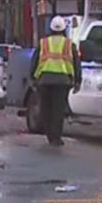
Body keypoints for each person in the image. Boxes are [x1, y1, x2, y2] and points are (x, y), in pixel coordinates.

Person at [30, 16, 82, 146]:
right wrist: (77, 81)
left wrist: (32, 78)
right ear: (64, 29)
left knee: (46, 109)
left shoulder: (44, 43)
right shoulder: (69, 44)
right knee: (58, 111)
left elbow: (34, 61)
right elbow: (76, 63)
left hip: (44, 81)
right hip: (62, 82)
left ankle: (49, 135)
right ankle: (56, 137)